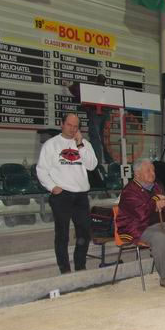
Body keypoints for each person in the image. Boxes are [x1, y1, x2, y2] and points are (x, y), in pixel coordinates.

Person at [117, 159, 165, 290]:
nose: (152, 173)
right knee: (160, 238)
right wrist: (155, 204)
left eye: (153, 170)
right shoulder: (129, 191)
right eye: (148, 171)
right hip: (138, 228)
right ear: (137, 174)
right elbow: (140, 213)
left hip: (160, 225)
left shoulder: (157, 186)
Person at [37, 113, 98, 274]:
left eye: (76, 126)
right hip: (61, 195)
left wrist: (80, 144)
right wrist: (52, 186)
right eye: (69, 125)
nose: (72, 129)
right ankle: (64, 269)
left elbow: (92, 165)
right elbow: (41, 170)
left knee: (84, 232)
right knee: (62, 234)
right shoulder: (51, 144)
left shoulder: (84, 144)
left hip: (81, 195)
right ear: (62, 124)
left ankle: (80, 266)